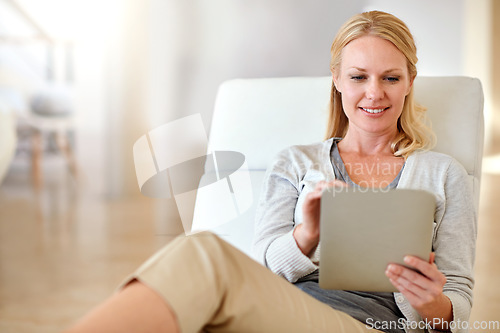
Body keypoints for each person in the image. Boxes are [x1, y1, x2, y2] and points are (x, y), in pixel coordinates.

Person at [65, 10, 476, 333]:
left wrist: (428, 303)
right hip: (276, 314)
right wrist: (306, 236)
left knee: (202, 253)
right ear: (336, 79)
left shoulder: (443, 175)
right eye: (357, 77)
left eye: (390, 77)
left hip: (369, 324)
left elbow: (456, 305)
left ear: (409, 82)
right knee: (194, 276)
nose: (374, 92)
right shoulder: (296, 162)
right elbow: (261, 271)